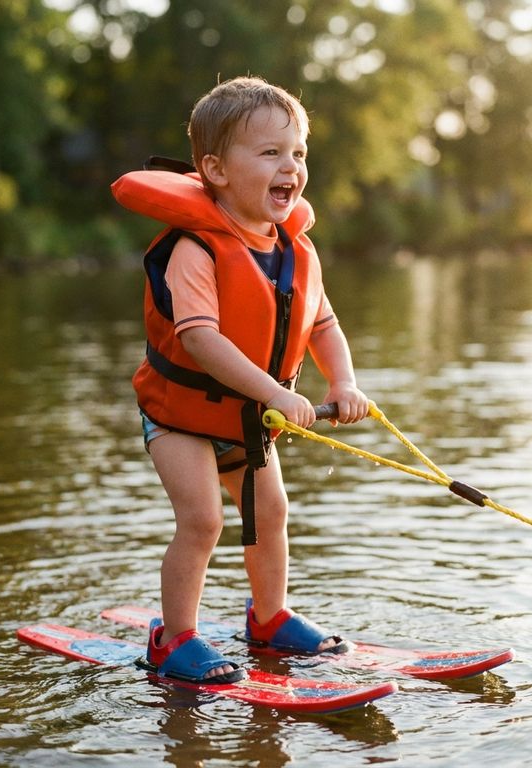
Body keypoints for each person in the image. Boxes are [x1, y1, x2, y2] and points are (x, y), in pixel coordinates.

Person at [112, 76, 369, 684]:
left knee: (271, 511)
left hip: (246, 417)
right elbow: (200, 339)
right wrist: (277, 394)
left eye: (299, 153)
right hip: (180, 418)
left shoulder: (296, 252)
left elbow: (323, 325)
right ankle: (172, 639)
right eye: (271, 153)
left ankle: (270, 618)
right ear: (216, 170)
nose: (291, 167)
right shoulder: (195, 251)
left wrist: (344, 384)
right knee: (203, 520)